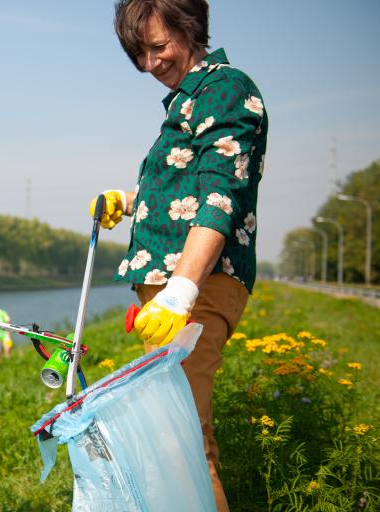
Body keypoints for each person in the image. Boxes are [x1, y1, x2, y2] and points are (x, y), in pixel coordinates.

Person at [91, 1, 267, 510]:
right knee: (170, 436)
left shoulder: (225, 89)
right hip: (174, 289)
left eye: (159, 46)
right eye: (139, 53)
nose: (150, 64)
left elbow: (219, 198)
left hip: (194, 285)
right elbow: (189, 186)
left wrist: (180, 293)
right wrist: (130, 201)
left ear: (190, 29)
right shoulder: (190, 100)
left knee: (181, 444)